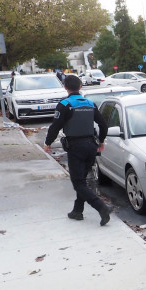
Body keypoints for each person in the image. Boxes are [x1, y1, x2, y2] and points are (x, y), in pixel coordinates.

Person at [43, 74, 111, 225]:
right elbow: (103, 125)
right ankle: (77, 211)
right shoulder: (90, 103)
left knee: (78, 183)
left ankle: (101, 207)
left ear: (65, 87)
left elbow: (55, 126)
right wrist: (101, 141)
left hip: (76, 147)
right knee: (82, 180)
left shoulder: (65, 104)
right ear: (80, 86)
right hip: (91, 147)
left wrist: (48, 143)